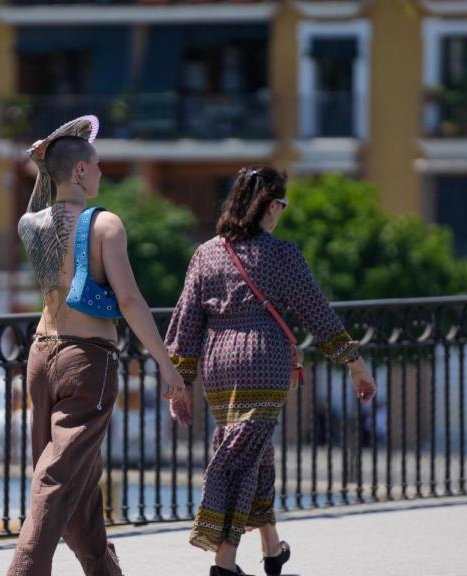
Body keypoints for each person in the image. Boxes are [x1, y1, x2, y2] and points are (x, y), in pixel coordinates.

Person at [165, 166, 377, 576]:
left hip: (219, 363)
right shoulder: (281, 254)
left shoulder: (205, 253)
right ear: (267, 206)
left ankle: (272, 549)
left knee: (252, 448)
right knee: (242, 457)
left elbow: (185, 324)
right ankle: (224, 563)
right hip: (263, 360)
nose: (281, 211)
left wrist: (180, 385)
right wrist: (355, 363)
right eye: (280, 203)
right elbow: (317, 312)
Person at [7, 115, 187, 576]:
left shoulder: (31, 224)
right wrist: (166, 366)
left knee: (77, 482)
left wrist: (43, 161)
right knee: (57, 479)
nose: (103, 171)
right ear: (82, 171)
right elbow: (128, 299)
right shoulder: (106, 224)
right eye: (98, 164)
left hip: (41, 355)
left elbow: (41, 198)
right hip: (87, 359)